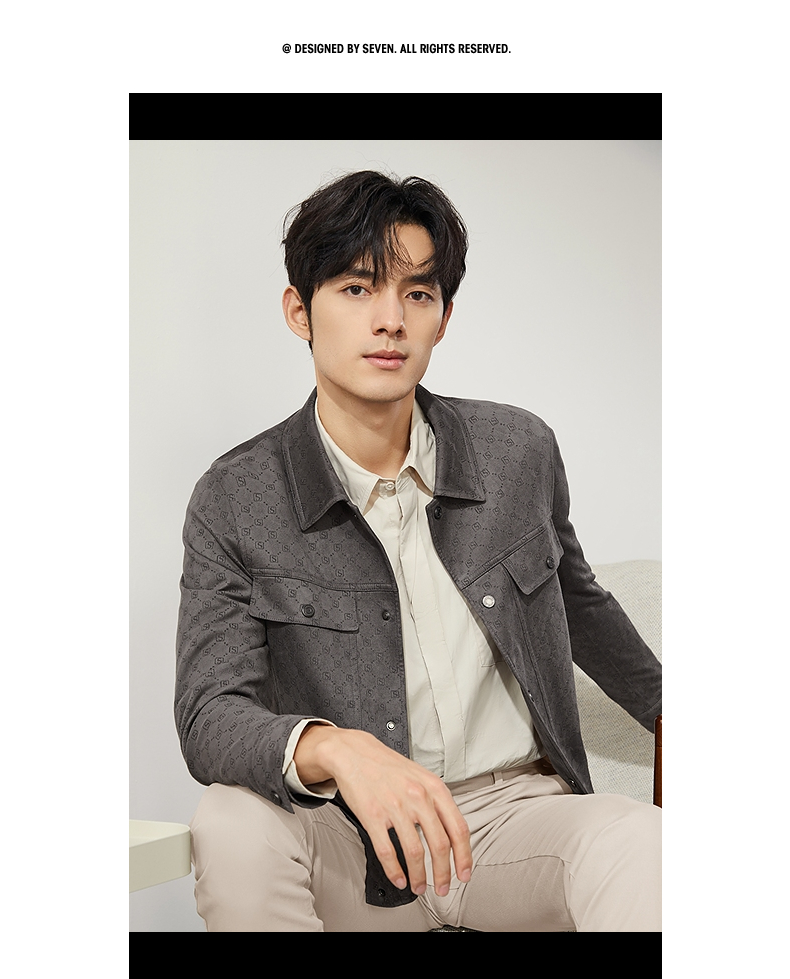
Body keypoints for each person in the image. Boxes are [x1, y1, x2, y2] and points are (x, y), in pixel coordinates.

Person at [175, 170, 662, 932]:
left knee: (641, 841)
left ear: (443, 317)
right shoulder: (236, 496)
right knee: (229, 822)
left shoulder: (518, 451)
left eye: (418, 293)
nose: (390, 320)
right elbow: (209, 713)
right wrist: (338, 751)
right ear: (299, 310)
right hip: (353, 835)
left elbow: (580, 602)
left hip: (511, 822)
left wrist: (674, 709)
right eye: (357, 289)